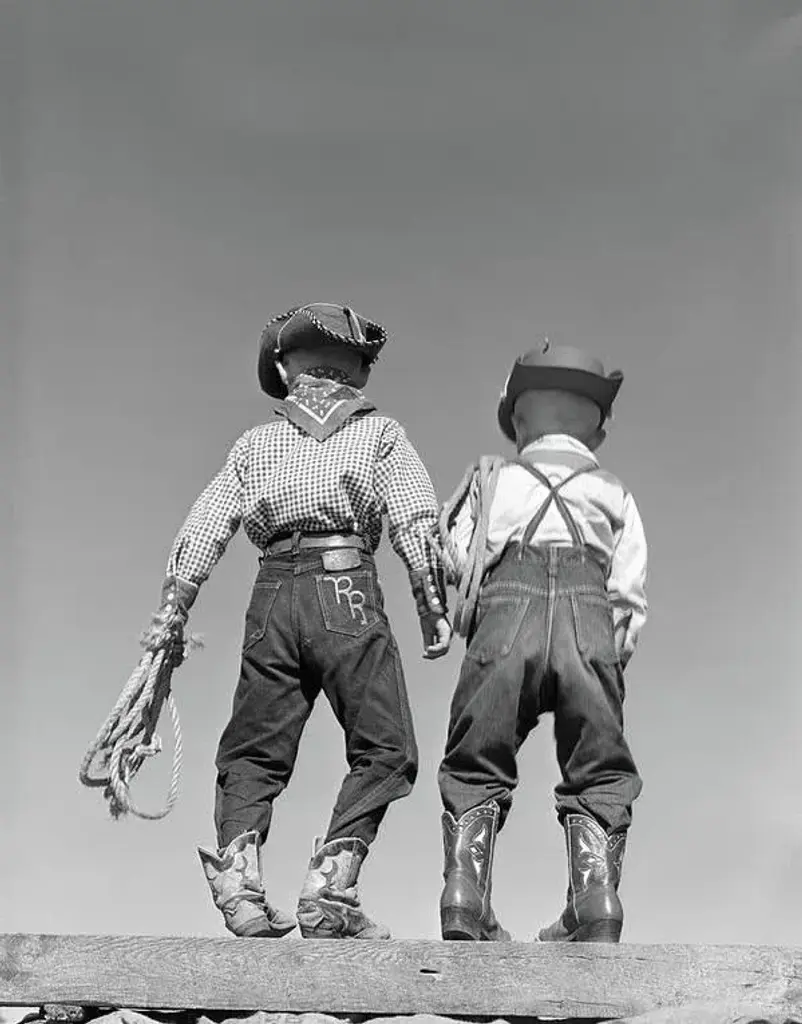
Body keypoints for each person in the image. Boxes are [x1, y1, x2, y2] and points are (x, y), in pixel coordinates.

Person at [146, 302, 451, 940]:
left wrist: (175, 605)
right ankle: (330, 890)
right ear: (359, 372)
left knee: (253, 748)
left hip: (272, 592)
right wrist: (432, 605)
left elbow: (206, 522)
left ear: (285, 371)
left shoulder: (254, 444)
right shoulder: (381, 433)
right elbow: (416, 516)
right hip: (346, 587)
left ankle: (238, 886)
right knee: (387, 748)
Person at [432, 340, 647, 943]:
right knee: (598, 764)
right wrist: (610, 659)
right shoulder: (614, 491)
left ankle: (465, 895)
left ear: (519, 421)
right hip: (589, 617)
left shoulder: (493, 481)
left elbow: (456, 558)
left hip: (507, 614)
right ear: (596, 425)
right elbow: (628, 594)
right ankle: (595, 901)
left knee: (477, 754)